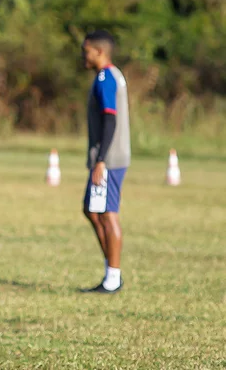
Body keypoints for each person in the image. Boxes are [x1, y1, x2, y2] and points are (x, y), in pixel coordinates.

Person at [81, 30, 131, 294]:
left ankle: (113, 278)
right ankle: (111, 271)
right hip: (108, 158)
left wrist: (101, 161)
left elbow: (110, 119)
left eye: (86, 50)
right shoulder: (112, 75)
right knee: (92, 209)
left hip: (109, 160)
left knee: (106, 213)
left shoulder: (105, 79)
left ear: (99, 52)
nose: (83, 55)